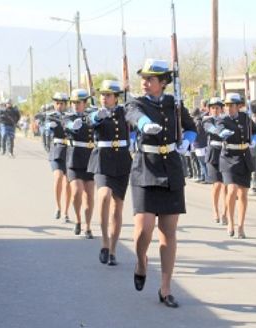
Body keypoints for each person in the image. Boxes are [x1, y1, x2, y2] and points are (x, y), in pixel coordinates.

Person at [126, 59, 197, 307]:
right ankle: (141, 260)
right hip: (146, 167)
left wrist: (188, 140)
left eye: (150, 79)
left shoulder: (174, 104)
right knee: (143, 229)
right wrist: (146, 124)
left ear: (163, 82)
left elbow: (190, 127)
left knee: (168, 233)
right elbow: (133, 115)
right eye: (143, 78)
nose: (145, 83)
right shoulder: (137, 102)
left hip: (171, 168)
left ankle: (165, 288)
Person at [89, 80, 131, 266]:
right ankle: (104, 241)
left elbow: (135, 118)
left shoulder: (125, 111)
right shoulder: (96, 113)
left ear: (116, 97)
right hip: (103, 158)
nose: (104, 98)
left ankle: (113, 249)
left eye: (108, 95)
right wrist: (98, 117)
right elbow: (91, 122)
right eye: (102, 95)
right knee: (104, 194)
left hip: (122, 159)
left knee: (118, 206)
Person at [217, 93, 256, 238]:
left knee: (243, 194)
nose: (228, 108)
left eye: (231, 105)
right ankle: (230, 222)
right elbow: (218, 128)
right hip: (229, 156)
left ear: (238, 106)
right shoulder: (223, 119)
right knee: (232, 189)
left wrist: (254, 138)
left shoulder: (245, 118)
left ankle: (241, 225)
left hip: (244, 156)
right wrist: (222, 133)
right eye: (226, 105)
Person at [64, 88, 95, 238]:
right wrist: (72, 125)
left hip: (90, 159)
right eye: (73, 102)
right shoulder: (68, 116)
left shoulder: (92, 116)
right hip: (74, 159)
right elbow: (67, 124)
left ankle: (88, 227)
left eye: (79, 102)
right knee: (76, 191)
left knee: (89, 194)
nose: (75, 105)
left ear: (85, 103)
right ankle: (78, 219)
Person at [45, 92, 71, 221]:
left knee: (68, 182)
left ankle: (66, 212)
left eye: (62, 103)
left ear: (66, 104)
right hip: (57, 149)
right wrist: (48, 127)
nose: (59, 105)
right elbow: (45, 128)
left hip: (70, 150)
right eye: (57, 103)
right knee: (58, 176)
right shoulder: (51, 117)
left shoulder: (71, 116)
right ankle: (58, 206)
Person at [203, 97, 228, 223]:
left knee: (226, 185)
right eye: (212, 108)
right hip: (213, 153)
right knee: (217, 184)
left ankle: (225, 213)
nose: (215, 110)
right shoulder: (207, 120)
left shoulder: (226, 120)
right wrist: (220, 131)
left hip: (226, 153)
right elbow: (210, 128)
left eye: (217, 108)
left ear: (222, 109)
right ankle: (215, 210)